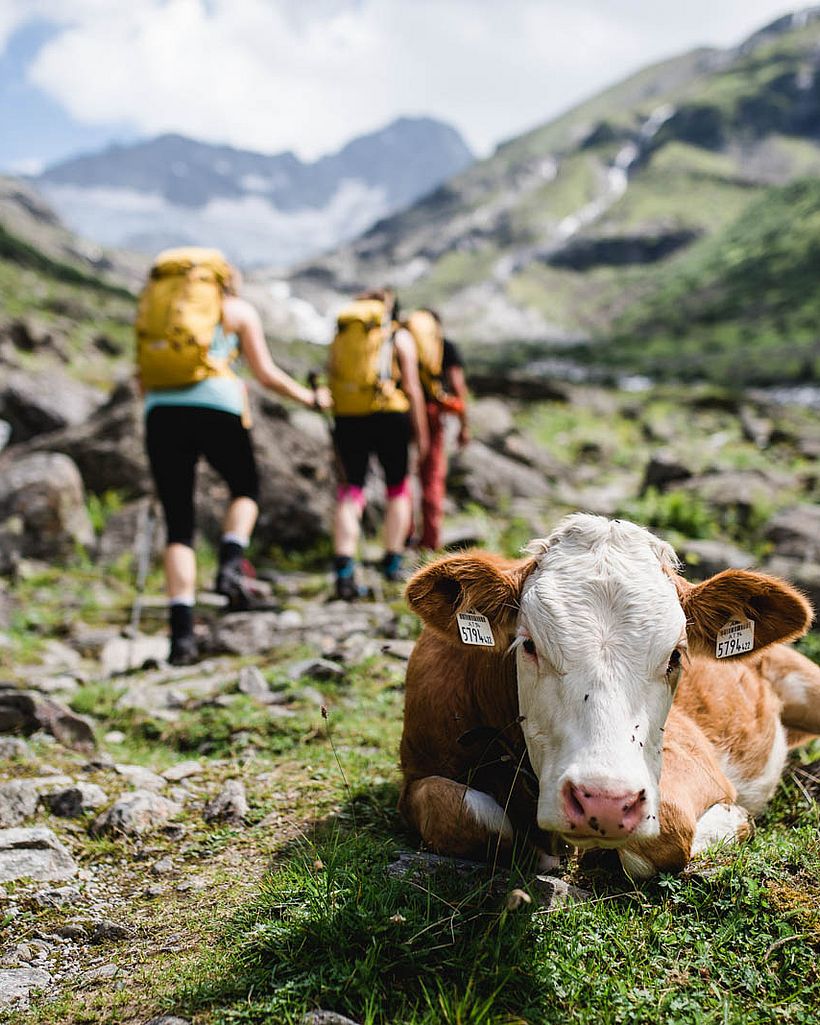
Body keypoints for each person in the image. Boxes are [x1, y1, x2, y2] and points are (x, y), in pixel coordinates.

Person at [136, 247, 331, 665]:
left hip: (161, 412)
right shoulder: (236, 310)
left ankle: (182, 638)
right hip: (218, 406)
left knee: (178, 524)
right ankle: (229, 564)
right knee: (245, 487)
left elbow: (142, 374)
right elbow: (265, 374)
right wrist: (309, 397)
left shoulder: (158, 308)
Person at [328, 288, 429, 600]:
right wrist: (421, 434)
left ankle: (344, 569)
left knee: (351, 490)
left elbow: (332, 375)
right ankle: (392, 561)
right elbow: (412, 387)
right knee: (397, 487)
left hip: (348, 416)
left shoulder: (344, 335)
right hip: (390, 415)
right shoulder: (396, 336)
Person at [405, 308, 470, 551]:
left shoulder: (403, 343)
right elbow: (457, 385)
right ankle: (430, 541)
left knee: (403, 475)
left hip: (404, 411)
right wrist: (464, 425)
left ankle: (405, 535)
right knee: (431, 476)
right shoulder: (445, 346)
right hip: (432, 412)